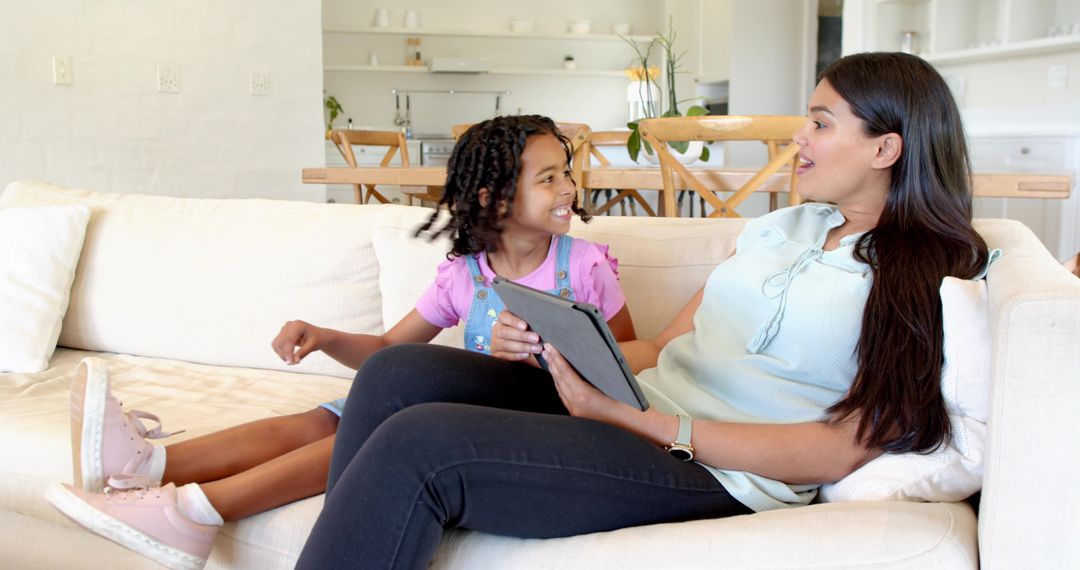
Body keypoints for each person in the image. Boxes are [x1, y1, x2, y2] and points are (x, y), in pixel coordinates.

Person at [295, 51, 993, 570]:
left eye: (819, 123)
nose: (798, 139)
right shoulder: (782, 228)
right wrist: (556, 349)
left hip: (712, 464)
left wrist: (643, 422)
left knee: (423, 443)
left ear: (885, 147)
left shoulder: (924, 272)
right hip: (637, 403)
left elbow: (840, 447)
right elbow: (662, 344)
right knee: (398, 373)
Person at [44, 115, 636, 570]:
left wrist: (551, 353)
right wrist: (327, 338)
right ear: (492, 198)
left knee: (369, 434)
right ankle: (154, 463)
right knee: (325, 416)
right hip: (430, 402)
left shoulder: (583, 267)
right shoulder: (467, 274)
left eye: (566, 171)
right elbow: (391, 352)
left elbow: (631, 365)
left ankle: (194, 506)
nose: (568, 186)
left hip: (499, 422)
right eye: (548, 176)